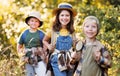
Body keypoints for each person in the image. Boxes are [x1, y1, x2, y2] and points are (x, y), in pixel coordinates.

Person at [43, 3, 77, 76]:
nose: (64, 18)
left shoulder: (72, 32)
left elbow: (75, 45)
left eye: (67, 15)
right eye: (62, 15)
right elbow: (44, 40)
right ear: (58, 16)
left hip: (70, 59)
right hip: (57, 58)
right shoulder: (52, 31)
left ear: (70, 17)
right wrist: (48, 46)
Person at [17, 11, 46, 76]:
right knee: (30, 74)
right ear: (28, 22)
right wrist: (22, 56)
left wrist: (44, 55)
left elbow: (45, 46)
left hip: (39, 59)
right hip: (28, 59)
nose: (34, 23)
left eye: (36, 21)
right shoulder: (24, 34)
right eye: (32, 21)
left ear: (39, 23)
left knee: (43, 74)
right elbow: (19, 46)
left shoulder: (42, 34)